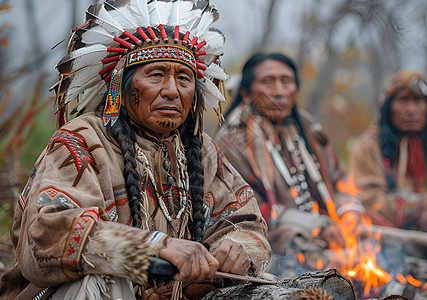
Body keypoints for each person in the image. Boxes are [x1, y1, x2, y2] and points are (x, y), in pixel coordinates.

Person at [0, 1, 270, 299]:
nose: (172, 90)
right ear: (121, 85)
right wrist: (155, 246)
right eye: (156, 74)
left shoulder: (202, 150)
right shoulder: (82, 140)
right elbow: (46, 233)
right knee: (99, 281)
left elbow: (247, 222)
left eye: (184, 78)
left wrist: (235, 248)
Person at [215, 53, 364, 273]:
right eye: (268, 82)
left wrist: (349, 214)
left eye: (286, 82)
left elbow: (341, 182)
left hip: (335, 234)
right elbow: (243, 209)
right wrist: (313, 227)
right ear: (246, 92)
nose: (279, 91)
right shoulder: (232, 140)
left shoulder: (309, 132)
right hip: (280, 247)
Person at [348, 70, 427, 233]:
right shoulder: (368, 145)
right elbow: (368, 199)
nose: (411, 110)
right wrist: (421, 205)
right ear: (389, 108)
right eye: (402, 100)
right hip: (388, 239)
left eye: (418, 101)